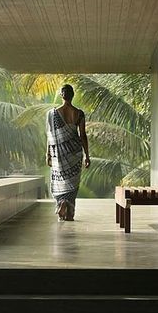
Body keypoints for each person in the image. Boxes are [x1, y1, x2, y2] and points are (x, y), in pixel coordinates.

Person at [46, 84, 90, 221]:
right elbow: (82, 135)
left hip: (58, 154)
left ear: (61, 95)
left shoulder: (51, 114)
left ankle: (61, 203)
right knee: (72, 183)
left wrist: (47, 154)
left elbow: (50, 136)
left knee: (59, 181)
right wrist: (87, 156)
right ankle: (70, 211)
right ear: (72, 96)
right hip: (75, 153)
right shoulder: (79, 113)